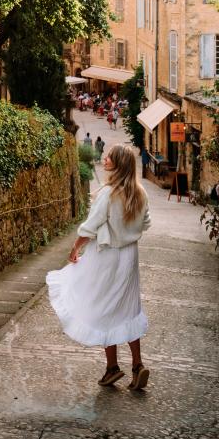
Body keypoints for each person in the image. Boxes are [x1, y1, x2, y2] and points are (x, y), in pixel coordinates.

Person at [46, 144, 151, 390]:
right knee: (129, 308)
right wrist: (127, 230)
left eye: (109, 157)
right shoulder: (140, 192)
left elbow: (91, 226)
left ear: (118, 164)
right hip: (129, 257)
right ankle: (137, 365)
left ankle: (112, 367)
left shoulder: (108, 193)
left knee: (105, 308)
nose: (104, 159)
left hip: (107, 256)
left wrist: (75, 248)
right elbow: (146, 222)